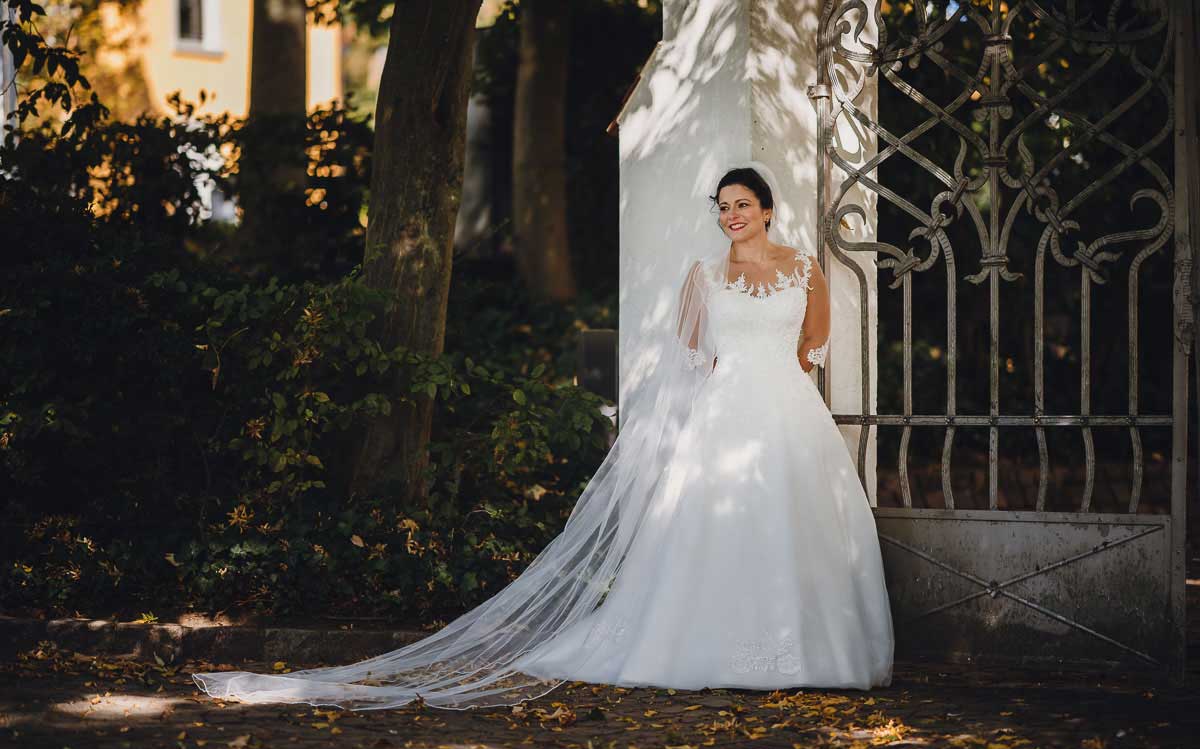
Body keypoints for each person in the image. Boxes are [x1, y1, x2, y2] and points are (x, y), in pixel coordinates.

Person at [192, 164, 895, 711]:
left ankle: (809, 654)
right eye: (722, 206)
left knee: (795, 528)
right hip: (724, 412)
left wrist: (778, 382)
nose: (732, 215)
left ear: (767, 208)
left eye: (742, 203)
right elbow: (691, 354)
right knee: (713, 532)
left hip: (789, 413)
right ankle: (709, 649)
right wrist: (722, 394)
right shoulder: (704, 276)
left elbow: (814, 342)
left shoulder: (805, 268)